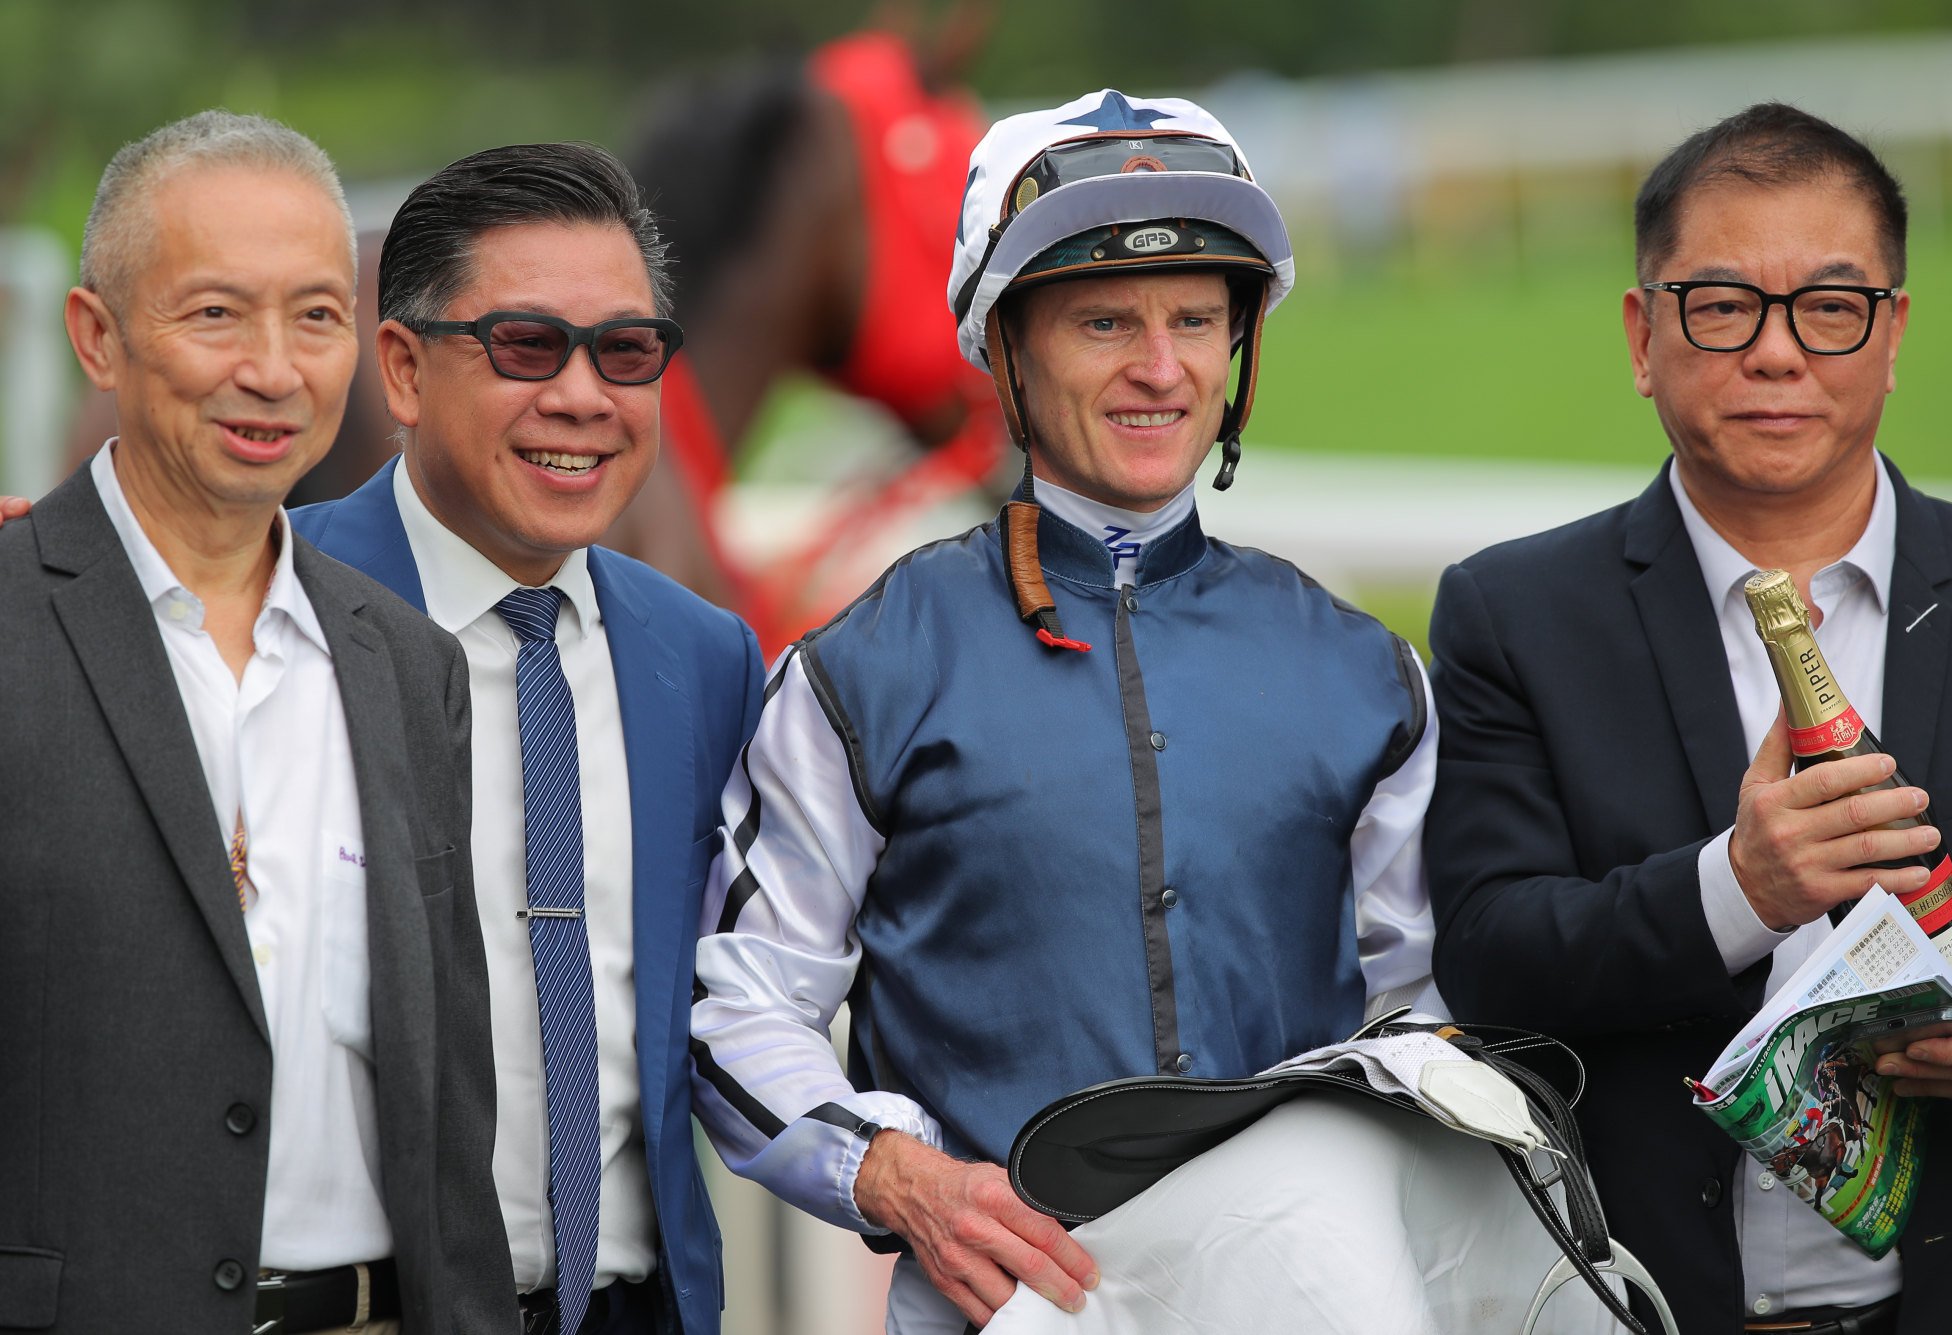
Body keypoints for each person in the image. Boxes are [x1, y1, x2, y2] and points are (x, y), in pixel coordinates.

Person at [690, 89, 1441, 1333]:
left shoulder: (1366, 670)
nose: (1161, 367)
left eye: (1197, 319)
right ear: (1004, 350)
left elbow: (1422, 1007)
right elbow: (741, 1006)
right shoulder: (859, 667)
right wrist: (897, 1176)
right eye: (1104, 321)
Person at [1426, 102, 1952, 1335]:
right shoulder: (1514, 613)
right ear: (1644, 334)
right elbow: (1485, 956)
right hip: (1643, 1304)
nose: (1777, 354)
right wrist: (1740, 887)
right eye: (1723, 304)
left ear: (1892, 334)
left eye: (1830, 306)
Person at [0, 111, 514, 1333]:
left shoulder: (405, 665)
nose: (275, 370)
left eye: (318, 315)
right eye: (216, 313)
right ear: (97, 336)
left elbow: (448, 1115)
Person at [289, 143, 763, 1335]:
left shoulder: (702, 657)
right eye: (525, 345)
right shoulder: (263, 608)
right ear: (399, 368)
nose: (582, 397)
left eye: (625, 351)